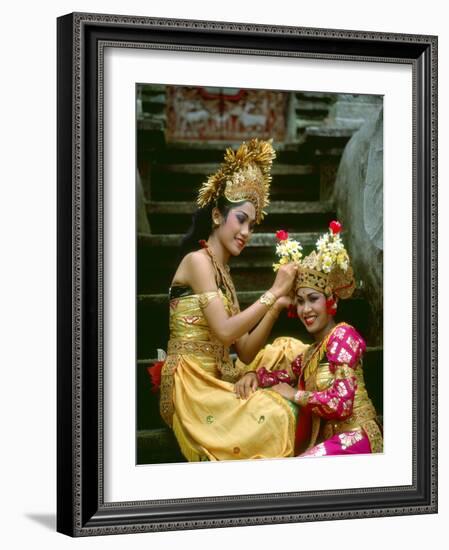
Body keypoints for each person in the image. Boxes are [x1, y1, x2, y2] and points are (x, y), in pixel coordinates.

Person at [159, 138, 305, 461]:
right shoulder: (198, 261)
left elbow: (245, 349)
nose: (246, 232)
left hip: (221, 373)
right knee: (277, 414)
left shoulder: (223, 273)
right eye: (240, 219)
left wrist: (277, 305)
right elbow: (225, 331)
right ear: (216, 216)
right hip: (193, 384)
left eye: (252, 225)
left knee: (289, 350)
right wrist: (273, 292)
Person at [243, 221, 383, 456]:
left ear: (333, 301)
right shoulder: (310, 354)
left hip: (358, 437)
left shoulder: (342, 335)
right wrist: (252, 375)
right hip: (333, 442)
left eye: (313, 299)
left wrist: (294, 394)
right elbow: (280, 376)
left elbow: (342, 403)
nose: (305, 309)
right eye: (299, 301)